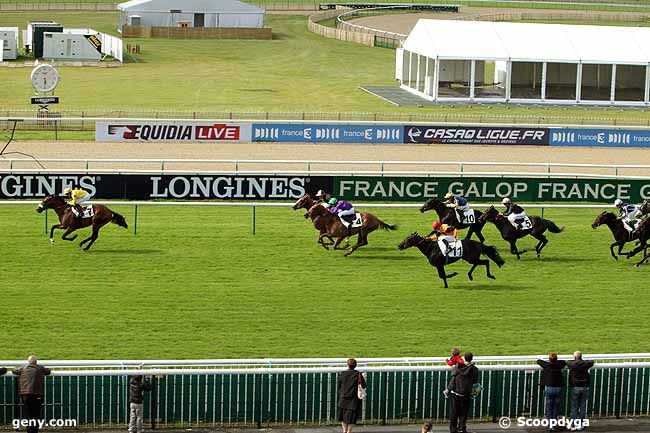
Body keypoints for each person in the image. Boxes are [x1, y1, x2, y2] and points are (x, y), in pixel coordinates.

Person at [12, 355, 51, 433]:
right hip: (38, 394)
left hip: (26, 395)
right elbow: (48, 371)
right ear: (36, 362)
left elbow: (14, 371)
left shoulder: (23, 368)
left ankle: (30, 431)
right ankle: (34, 431)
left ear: (28, 362)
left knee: (29, 415)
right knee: (36, 415)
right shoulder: (40, 368)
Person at [447, 352, 478, 433]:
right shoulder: (474, 369)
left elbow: (453, 379)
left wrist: (448, 389)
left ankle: (453, 430)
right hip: (466, 394)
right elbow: (475, 381)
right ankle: (461, 429)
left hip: (455, 394)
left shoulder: (457, 367)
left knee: (454, 413)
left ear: (464, 358)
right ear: (471, 358)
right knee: (464, 413)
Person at [537, 353, 567, 431]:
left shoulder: (546, 365)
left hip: (550, 388)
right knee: (556, 408)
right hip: (558, 388)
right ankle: (554, 424)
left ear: (549, 359)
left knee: (549, 407)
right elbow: (563, 362)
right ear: (556, 359)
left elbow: (539, 361)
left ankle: (550, 425)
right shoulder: (559, 365)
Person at [338, 358, 366, 433]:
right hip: (353, 399)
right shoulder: (358, 374)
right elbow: (363, 385)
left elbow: (339, 385)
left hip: (343, 398)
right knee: (352, 418)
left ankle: (344, 431)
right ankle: (349, 431)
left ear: (347, 365)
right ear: (355, 365)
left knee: (343, 417)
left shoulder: (342, 373)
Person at [567, 351, 594, 430]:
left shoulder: (572, 364)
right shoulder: (585, 364)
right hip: (585, 387)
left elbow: (568, 362)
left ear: (574, 357)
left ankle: (572, 425)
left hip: (576, 387)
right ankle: (580, 424)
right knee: (582, 406)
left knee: (574, 407)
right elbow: (591, 362)